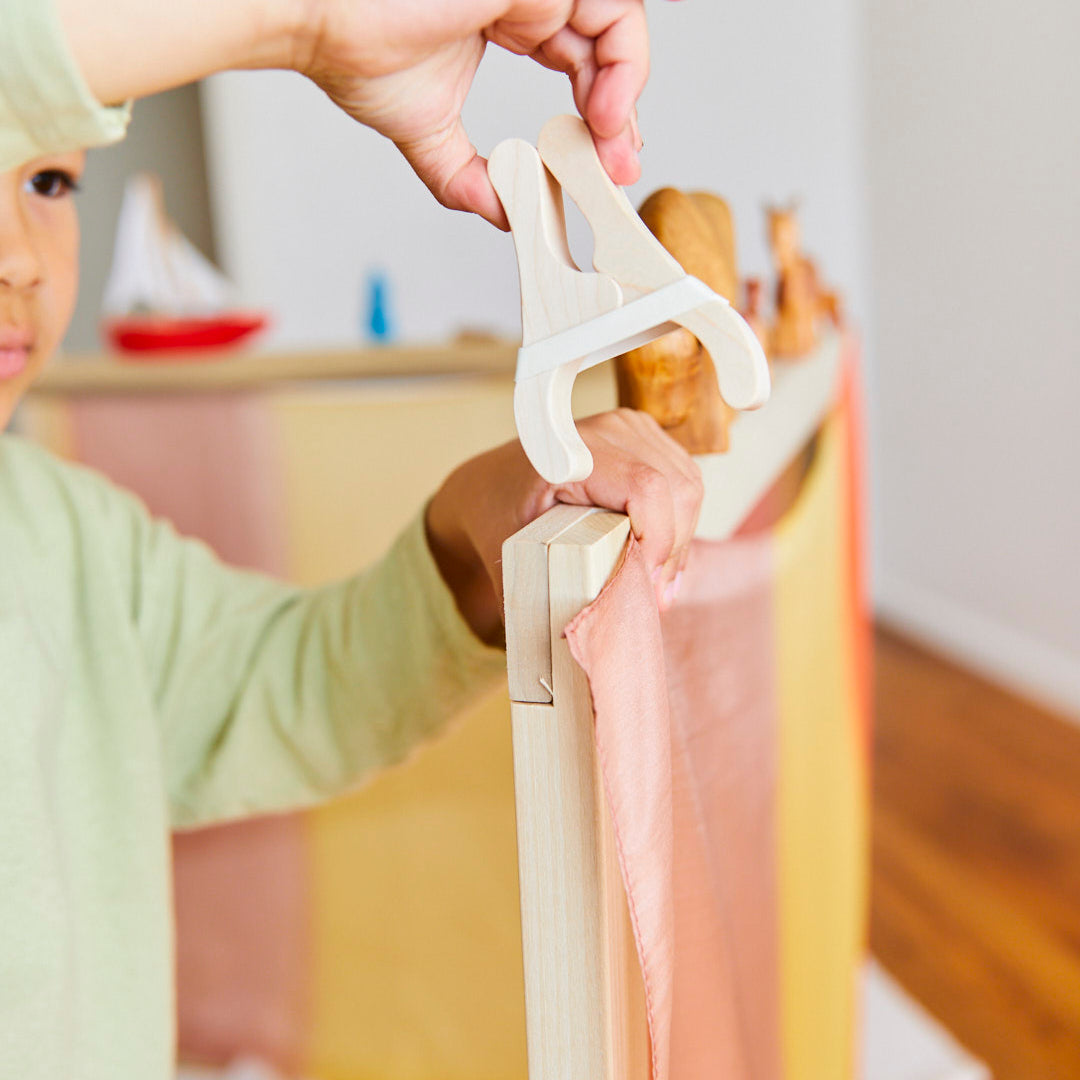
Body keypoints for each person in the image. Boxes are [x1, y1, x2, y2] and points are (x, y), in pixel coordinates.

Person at [0, 1, 701, 1076]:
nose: (19, 258)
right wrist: (311, 23)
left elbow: (294, 683)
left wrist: (482, 522)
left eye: (49, 180)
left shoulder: (73, 535)